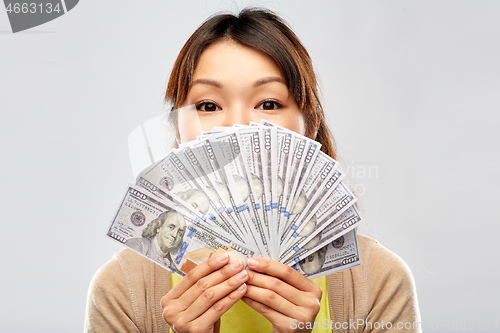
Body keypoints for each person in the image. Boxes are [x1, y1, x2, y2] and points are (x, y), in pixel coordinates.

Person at [85, 8, 421, 333]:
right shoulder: (122, 291)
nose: (238, 127)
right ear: (178, 130)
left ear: (310, 127)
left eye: (269, 104)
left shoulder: (379, 282)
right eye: (208, 106)